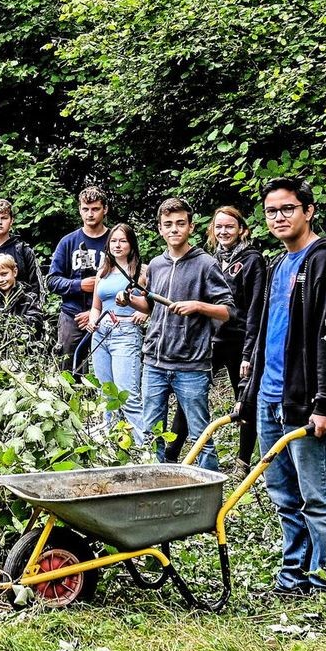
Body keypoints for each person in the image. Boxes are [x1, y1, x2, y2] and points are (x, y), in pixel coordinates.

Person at [237, 177, 326, 593]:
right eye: (272, 211)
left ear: (308, 210)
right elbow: (263, 331)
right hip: (271, 396)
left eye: (288, 208)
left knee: (317, 495)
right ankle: (294, 576)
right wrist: (249, 394)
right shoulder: (277, 265)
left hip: (307, 402)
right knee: (284, 496)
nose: (279, 217)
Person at [127, 200, 235, 471]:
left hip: (191, 365)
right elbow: (151, 308)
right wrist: (129, 301)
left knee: (200, 435)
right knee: (151, 434)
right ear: (160, 229)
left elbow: (227, 311)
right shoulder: (155, 264)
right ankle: (155, 487)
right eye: (168, 225)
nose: (174, 229)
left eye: (180, 223)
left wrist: (197, 305)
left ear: (191, 227)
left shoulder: (206, 264)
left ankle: (210, 493)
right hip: (154, 362)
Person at [170, 205, 266, 465]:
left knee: (245, 400)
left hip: (240, 340)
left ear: (241, 230)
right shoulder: (208, 260)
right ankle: (170, 457)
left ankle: (243, 461)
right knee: (188, 396)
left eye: (230, 227)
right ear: (212, 229)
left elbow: (256, 309)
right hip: (210, 340)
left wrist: (250, 351)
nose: (224, 231)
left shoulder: (252, 260)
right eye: (219, 227)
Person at [86, 224, 147, 438]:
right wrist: (92, 321)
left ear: (131, 244)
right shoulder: (102, 271)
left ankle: (143, 447)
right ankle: (111, 444)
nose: (118, 245)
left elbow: (152, 304)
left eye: (123, 241)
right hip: (101, 333)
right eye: (113, 241)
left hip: (126, 332)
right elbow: (96, 306)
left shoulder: (142, 271)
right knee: (108, 394)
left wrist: (144, 314)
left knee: (127, 394)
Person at [48, 186, 111, 373]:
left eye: (95, 209)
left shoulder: (115, 241)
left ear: (105, 209)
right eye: (85, 209)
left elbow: (128, 282)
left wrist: (95, 312)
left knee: (105, 374)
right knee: (68, 372)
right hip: (72, 316)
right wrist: (80, 285)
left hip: (107, 316)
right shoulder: (68, 242)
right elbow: (52, 281)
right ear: (79, 209)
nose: (90, 214)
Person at [0, 253, 43, 335]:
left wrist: (10, 322)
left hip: (23, 343)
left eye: (4, 274)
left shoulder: (29, 297)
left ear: (14, 272)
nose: (1, 280)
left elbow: (36, 321)